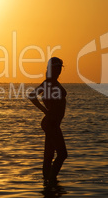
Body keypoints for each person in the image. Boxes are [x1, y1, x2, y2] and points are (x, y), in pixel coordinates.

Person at [28, 57, 68, 185]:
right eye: (56, 68)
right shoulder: (48, 82)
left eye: (60, 68)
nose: (58, 71)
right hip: (51, 123)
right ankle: (51, 180)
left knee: (49, 155)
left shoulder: (53, 82)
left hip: (53, 123)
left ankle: (47, 183)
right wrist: (45, 111)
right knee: (62, 154)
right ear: (51, 69)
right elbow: (32, 96)